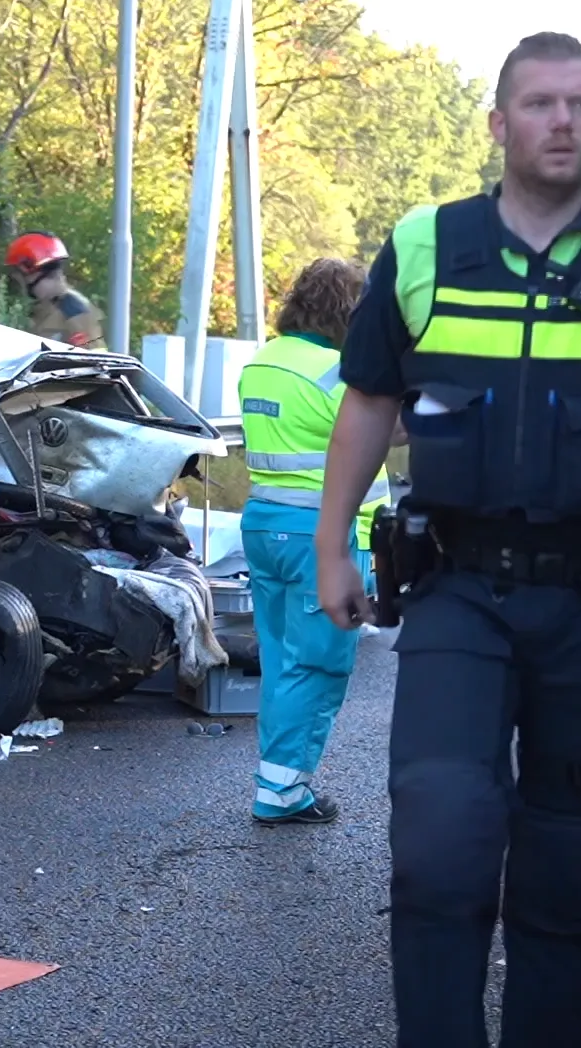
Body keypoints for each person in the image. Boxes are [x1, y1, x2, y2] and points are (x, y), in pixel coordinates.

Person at [315, 32, 581, 1046]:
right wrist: (330, 546)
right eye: (541, 103)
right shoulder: (430, 244)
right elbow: (370, 399)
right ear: (499, 123)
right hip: (458, 593)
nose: (563, 121)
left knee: (570, 877)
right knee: (439, 839)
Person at [237, 257, 397, 825]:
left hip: (262, 524)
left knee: (283, 661)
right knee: (322, 665)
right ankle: (282, 792)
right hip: (319, 533)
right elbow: (384, 427)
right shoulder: (335, 370)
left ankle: (276, 781)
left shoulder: (262, 362)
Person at [4, 232, 103, 348]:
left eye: (19, 274)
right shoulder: (44, 307)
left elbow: (94, 359)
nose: (18, 280)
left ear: (34, 272)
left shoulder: (74, 310)